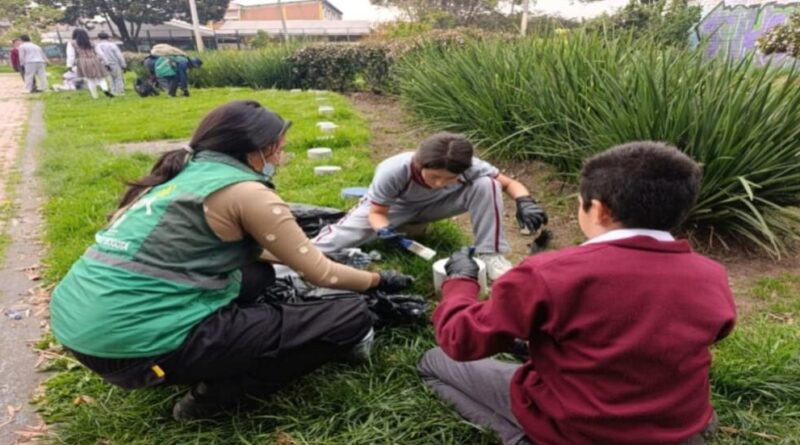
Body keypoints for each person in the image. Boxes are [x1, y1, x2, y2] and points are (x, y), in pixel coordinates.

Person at [50, 100, 414, 420]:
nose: (281, 159)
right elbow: (322, 275)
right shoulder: (246, 192)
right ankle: (212, 401)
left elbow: (262, 253)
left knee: (259, 275)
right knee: (347, 314)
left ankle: (222, 346)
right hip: (139, 348)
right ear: (258, 151)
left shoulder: (180, 176)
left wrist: (303, 253)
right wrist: (377, 281)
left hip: (80, 328)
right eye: (279, 151)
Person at [418, 141, 737, 445]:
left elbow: (460, 339)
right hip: (681, 426)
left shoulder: (549, 273)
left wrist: (460, 281)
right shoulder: (712, 275)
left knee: (434, 362)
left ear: (598, 210)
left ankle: (527, 437)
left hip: (582, 429)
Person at [313, 132, 548, 280]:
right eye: (434, 176)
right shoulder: (394, 169)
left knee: (487, 185)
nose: (439, 183)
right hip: (396, 207)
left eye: (449, 178)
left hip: (439, 206)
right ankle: (297, 259)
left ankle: (491, 254)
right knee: (339, 239)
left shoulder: (470, 166)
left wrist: (524, 201)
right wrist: (384, 231)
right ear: (419, 163)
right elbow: (377, 212)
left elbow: (508, 183)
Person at [66, 28, 112, 99]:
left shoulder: (72, 43)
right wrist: (107, 63)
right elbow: (100, 53)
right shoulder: (91, 42)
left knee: (90, 80)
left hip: (83, 61)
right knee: (101, 78)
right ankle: (106, 90)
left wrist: (69, 65)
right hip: (94, 60)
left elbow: (71, 55)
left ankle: (95, 96)